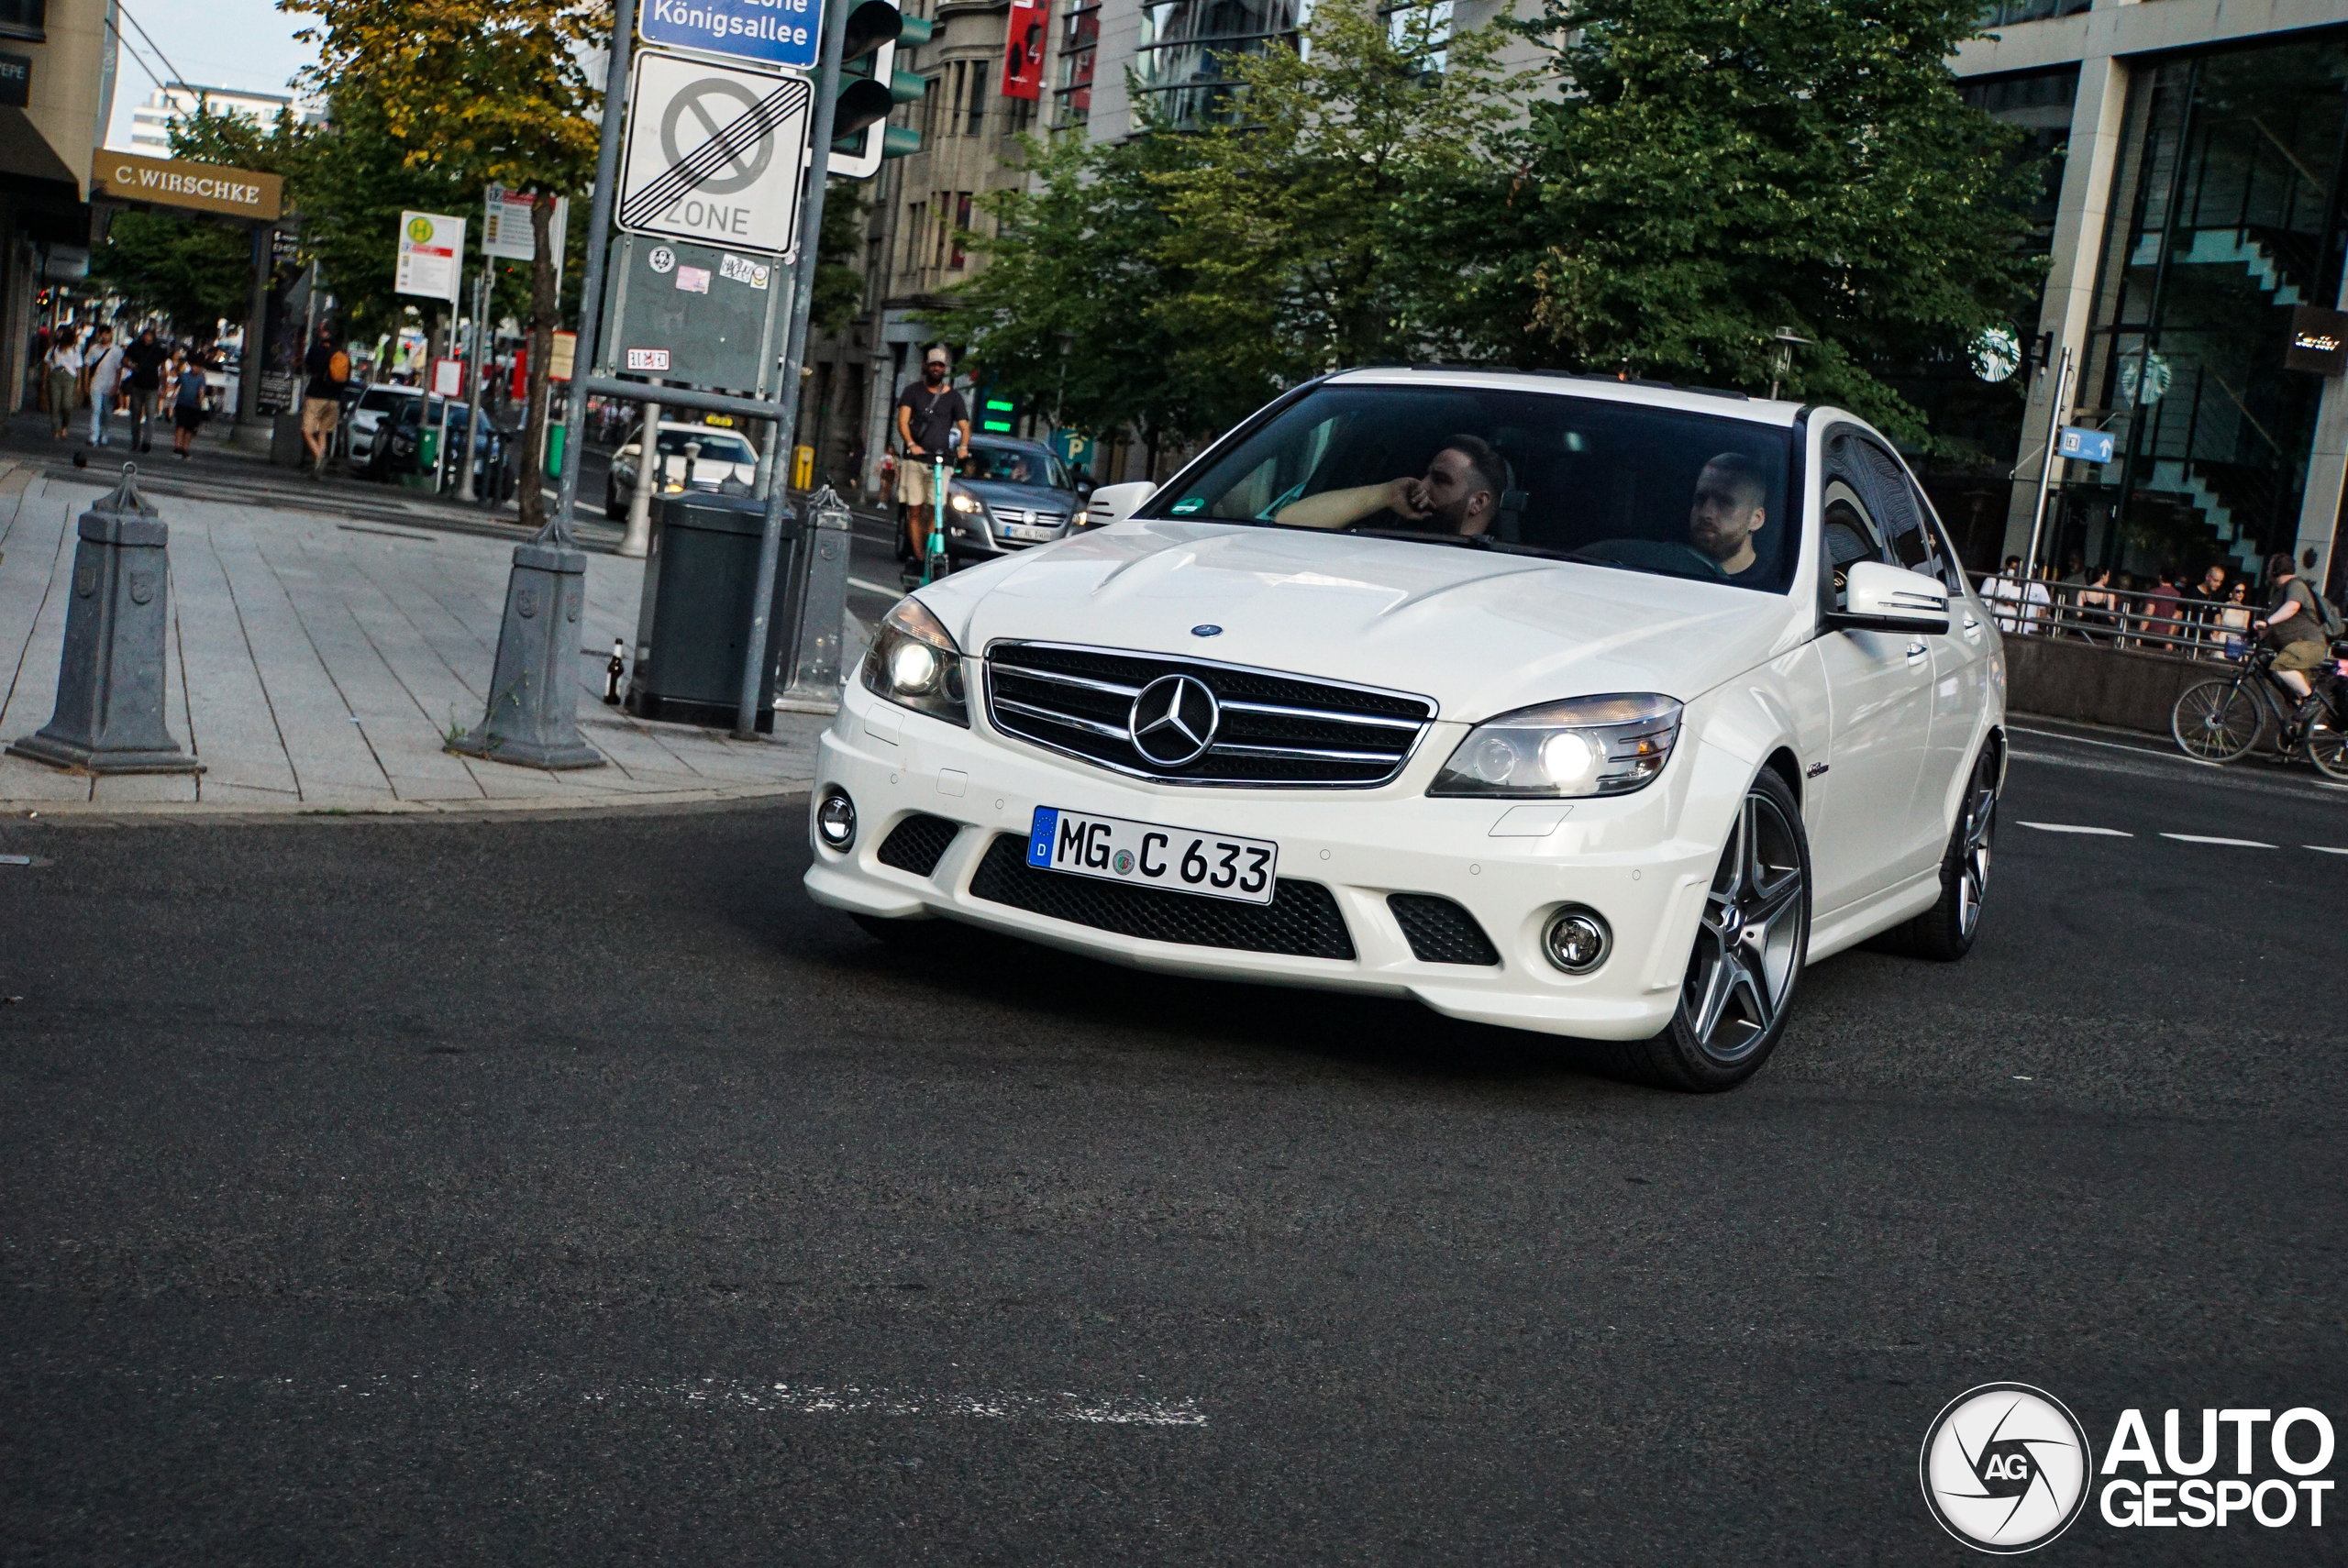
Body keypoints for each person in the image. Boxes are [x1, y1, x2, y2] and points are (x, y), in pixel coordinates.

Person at [1273, 435, 1512, 539]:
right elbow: (1286, 523)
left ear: (1478, 502)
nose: (1423, 484)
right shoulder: (1379, 536)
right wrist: (1386, 494)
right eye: (1426, 475)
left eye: (1439, 480)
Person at [894, 347, 969, 558]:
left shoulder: (954, 397)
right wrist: (911, 444)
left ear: (945, 368)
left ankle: (929, 555)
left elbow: (964, 427)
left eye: (941, 365)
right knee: (915, 509)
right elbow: (902, 421)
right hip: (915, 460)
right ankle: (919, 558)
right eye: (933, 364)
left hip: (941, 462)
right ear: (925, 365)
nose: (937, 368)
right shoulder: (912, 391)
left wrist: (963, 447)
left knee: (936, 510)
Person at [2254, 551, 2337, 724]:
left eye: (2270, 567)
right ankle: (2298, 735)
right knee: (2291, 697)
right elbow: (2280, 621)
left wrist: (2267, 622)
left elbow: (2292, 607)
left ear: (2276, 570)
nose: (2267, 571)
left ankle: (2311, 699)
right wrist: (2260, 633)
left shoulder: (2295, 585)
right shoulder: (2278, 592)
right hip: (2294, 648)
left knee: (2281, 667)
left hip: (2308, 646)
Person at [300, 324, 348, 478]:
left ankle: (319, 456)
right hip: (334, 398)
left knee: (306, 430)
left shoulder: (316, 349)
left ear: (324, 332)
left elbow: (307, 366)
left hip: (316, 396)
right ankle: (317, 471)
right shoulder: (341, 353)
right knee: (323, 432)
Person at [122, 326, 167, 453]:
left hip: (152, 386)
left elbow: (163, 369)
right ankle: (135, 441)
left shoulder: (159, 349)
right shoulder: (135, 346)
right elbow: (125, 360)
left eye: (150, 336)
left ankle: (147, 441)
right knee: (135, 415)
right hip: (137, 385)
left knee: (150, 415)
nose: (147, 338)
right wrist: (130, 366)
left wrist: (164, 386)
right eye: (145, 335)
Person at [1986, 555, 2049, 635]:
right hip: (1996, 624)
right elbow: (1983, 601)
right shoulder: (1993, 580)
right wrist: (1998, 599)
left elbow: (2043, 611)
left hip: (2022, 627)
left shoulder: (2036, 587)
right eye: (2013, 568)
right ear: (2006, 566)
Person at [83, 326, 123, 447]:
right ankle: (93, 436)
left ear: (110, 334)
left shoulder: (117, 350)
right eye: (102, 334)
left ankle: (105, 433)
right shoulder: (94, 349)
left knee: (107, 412)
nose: (104, 336)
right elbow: (87, 366)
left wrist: (116, 386)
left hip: (110, 385)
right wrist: (85, 382)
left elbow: (119, 370)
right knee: (96, 410)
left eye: (107, 334)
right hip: (96, 383)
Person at [170, 349, 209, 459]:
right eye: (195, 366)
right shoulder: (184, 376)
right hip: (182, 403)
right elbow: (177, 385)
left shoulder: (201, 378)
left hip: (194, 405)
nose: (195, 368)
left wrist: (200, 399)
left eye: (198, 366)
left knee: (190, 428)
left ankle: (185, 447)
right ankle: (177, 445)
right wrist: (173, 393)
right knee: (180, 425)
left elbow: (201, 390)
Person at [43, 330, 81, 441]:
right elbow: (47, 363)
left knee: (67, 404)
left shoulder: (75, 349)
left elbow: (78, 366)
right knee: (54, 404)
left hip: (69, 376)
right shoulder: (54, 348)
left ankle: (65, 425)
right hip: (55, 375)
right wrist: (44, 380)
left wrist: (79, 382)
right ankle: (56, 429)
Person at [2217, 580, 2253, 661]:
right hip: (2223, 638)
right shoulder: (2225, 606)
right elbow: (2218, 623)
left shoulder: (2246, 610)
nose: (2240, 594)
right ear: (2232, 592)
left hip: (2237, 639)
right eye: (2238, 591)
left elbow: (2245, 627)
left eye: (2243, 592)